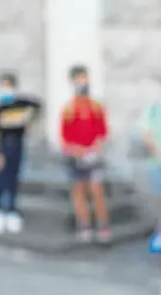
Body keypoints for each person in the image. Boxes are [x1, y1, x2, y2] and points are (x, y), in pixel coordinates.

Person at [0, 71, 42, 235]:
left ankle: (11, 210)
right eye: (3, 86)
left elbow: (38, 106)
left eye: (8, 86)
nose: (5, 90)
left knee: (13, 178)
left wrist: (30, 120)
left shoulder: (21, 104)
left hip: (17, 145)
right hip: (1, 146)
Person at [60, 65, 111, 243]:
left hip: (93, 156)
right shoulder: (68, 109)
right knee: (79, 190)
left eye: (84, 78)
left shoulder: (96, 107)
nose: (82, 82)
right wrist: (77, 151)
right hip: (76, 157)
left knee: (96, 190)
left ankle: (102, 224)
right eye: (78, 79)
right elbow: (64, 138)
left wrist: (94, 148)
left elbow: (103, 133)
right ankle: (84, 225)